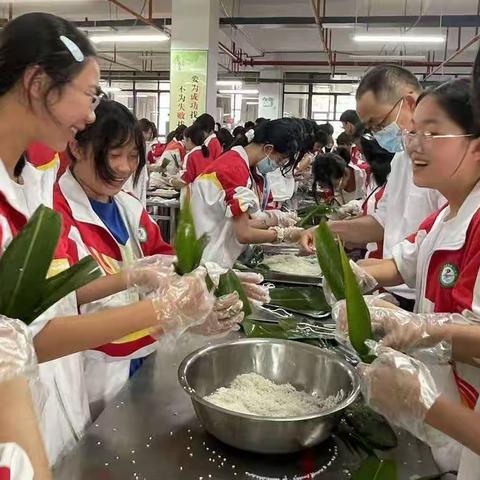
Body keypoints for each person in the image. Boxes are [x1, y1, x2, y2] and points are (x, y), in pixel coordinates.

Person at [0, 12, 242, 465]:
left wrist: (144, 280)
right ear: (36, 84)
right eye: (88, 96)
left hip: (53, 402)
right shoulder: (46, 194)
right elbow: (34, 336)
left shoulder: (29, 184)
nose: (89, 115)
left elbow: (52, 298)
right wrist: (163, 311)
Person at [335, 78, 480, 474]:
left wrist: (420, 330)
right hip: (450, 432)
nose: (414, 144)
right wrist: (355, 281)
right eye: (414, 132)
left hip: (460, 421)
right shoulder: (446, 215)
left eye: (432, 133)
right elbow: (403, 264)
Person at [300, 65, 445, 311]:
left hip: (426, 295)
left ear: (408, 103)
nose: (377, 134)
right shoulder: (401, 158)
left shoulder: (443, 161)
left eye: (378, 123)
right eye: (371, 128)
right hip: (395, 285)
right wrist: (326, 230)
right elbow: (384, 222)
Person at [190, 119, 303, 268]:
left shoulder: (243, 165)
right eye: (280, 160)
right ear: (268, 149)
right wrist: (283, 234)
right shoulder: (234, 170)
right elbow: (244, 233)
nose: (277, 166)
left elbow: (239, 222)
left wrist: (275, 219)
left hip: (215, 254)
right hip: (208, 259)